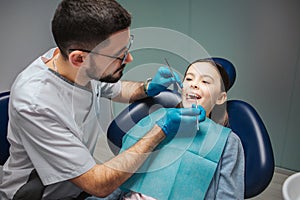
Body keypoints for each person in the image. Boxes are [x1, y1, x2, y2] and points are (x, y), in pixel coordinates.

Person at [0, 0, 203, 199]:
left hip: (76, 186)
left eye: (127, 47)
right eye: (118, 55)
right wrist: (161, 129)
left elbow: (118, 89)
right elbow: (99, 185)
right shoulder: (36, 103)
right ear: (79, 58)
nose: (129, 59)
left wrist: (147, 87)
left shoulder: (79, 66)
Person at [119, 58, 245, 200]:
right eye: (189, 79)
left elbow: (228, 195)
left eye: (205, 81)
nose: (194, 85)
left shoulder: (227, 141)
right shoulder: (157, 119)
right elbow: (120, 169)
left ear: (220, 98)